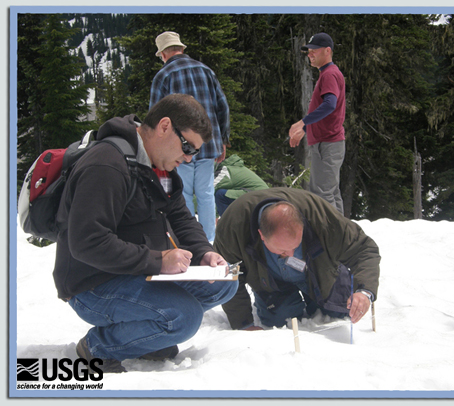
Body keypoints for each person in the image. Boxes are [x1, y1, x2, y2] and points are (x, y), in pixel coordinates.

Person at [53, 94, 238, 373]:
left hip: (135, 270)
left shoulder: (158, 166)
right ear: (165, 126)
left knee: (224, 282)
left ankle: (147, 336)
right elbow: (87, 242)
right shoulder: (107, 164)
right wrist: (157, 261)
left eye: (195, 152)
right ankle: (97, 347)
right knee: (182, 318)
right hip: (92, 283)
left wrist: (205, 251)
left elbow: (179, 216)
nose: (188, 158)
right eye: (188, 146)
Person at [213, 187, 380, 331]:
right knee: (279, 321)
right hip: (272, 283)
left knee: (342, 310)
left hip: (317, 271)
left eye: (296, 246)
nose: (291, 254)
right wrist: (243, 323)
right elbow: (228, 274)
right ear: (261, 235)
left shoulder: (320, 217)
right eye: (282, 250)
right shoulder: (233, 226)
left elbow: (364, 249)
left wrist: (364, 291)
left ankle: (332, 281)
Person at [150, 31, 230, 242]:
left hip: (178, 147)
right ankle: (208, 241)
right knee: (205, 195)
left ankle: (187, 241)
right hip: (209, 143)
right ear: (181, 49)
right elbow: (223, 106)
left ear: (164, 54)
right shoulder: (206, 71)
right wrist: (223, 140)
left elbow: (155, 115)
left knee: (182, 194)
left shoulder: (164, 76)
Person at [288, 33, 346, 216]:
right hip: (327, 143)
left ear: (327, 51)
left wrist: (303, 122)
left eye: (314, 50)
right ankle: (341, 236)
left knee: (322, 194)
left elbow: (330, 104)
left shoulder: (329, 74)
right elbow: (325, 109)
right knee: (330, 192)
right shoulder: (327, 73)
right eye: (308, 52)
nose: (310, 54)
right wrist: (305, 128)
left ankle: (333, 239)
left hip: (327, 143)